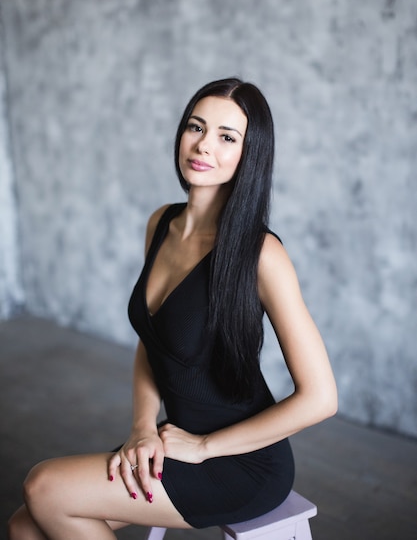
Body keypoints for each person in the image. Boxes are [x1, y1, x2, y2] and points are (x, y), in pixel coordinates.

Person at [8, 77, 337, 539]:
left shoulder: (261, 254)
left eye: (227, 137)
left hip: (241, 462)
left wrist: (204, 446)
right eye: (195, 127)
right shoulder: (161, 224)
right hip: (170, 439)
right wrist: (142, 426)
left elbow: (321, 398)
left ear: (250, 153)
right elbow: (153, 344)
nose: (203, 145)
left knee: (42, 487)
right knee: (26, 525)